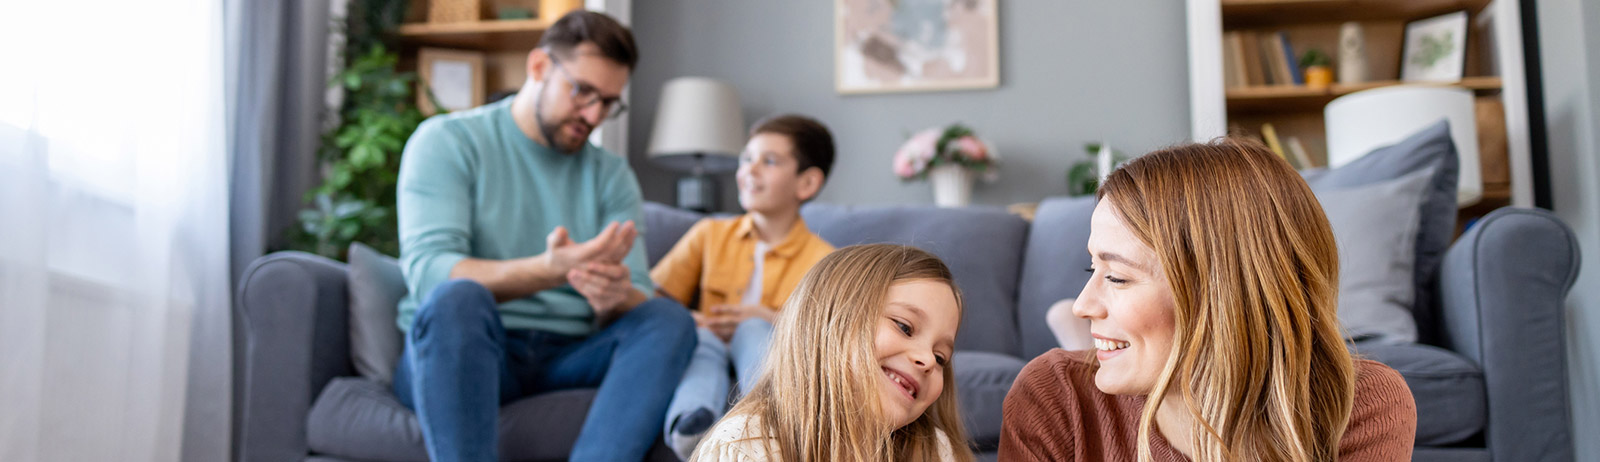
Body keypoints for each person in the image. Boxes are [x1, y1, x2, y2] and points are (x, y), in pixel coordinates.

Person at [392, 10, 696, 462]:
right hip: (471, 345)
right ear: (538, 67)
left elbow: (638, 291)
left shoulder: (612, 175)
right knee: (456, 300)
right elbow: (432, 274)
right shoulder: (447, 142)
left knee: (668, 320)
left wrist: (616, 296)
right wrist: (550, 271)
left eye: (608, 102)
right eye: (582, 91)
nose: (594, 114)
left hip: (570, 354)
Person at [999, 139, 1417, 462]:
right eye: (1093, 271)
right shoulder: (1052, 396)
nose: (1083, 303)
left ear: (1218, 293)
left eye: (1118, 277)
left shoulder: (1360, 402)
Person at [648, 115, 838, 457]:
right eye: (746, 159)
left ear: (807, 183)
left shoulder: (824, 261)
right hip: (708, 343)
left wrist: (767, 316)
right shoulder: (709, 233)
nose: (749, 170)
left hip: (770, 349)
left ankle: (767, 420)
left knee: (753, 327)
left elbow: (829, 334)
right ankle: (693, 423)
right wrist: (694, 320)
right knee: (703, 339)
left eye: (769, 161)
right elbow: (655, 298)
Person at [691, 244, 976, 462]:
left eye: (941, 358)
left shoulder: (934, 451)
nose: (927, 359)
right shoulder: (744, 445)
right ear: (832, 319)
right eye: (904, 327)